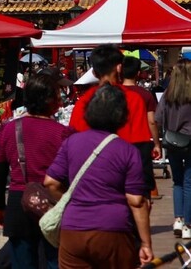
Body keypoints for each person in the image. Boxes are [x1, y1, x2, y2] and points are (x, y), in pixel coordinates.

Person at [44, 84, 153, 267]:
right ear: (122, 115)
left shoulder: (71, 143)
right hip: (113, 230)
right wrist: (145, 243)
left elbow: (50, 183)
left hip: (73, 230)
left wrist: (74, 201)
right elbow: (136, 201)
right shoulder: (128, 151)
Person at [0, 68, 71, 269]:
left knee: (22, 263)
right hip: (54, 204)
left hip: (19, 204)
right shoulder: (63, 134)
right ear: (49, 101)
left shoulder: (9, 129)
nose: (60, 101)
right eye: (57, 96)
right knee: (55, 261)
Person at [156, 58, 191, 239]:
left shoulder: (168, 95)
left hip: (173, 142)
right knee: (189, 183)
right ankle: (188, 225)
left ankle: (178, 218)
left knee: (177, 182)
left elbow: (158, 118)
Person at [121, 55, 161, 198]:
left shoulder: (114, 93)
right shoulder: (145, 95)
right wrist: (156, 144)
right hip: (141, 142)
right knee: (143, 185)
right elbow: (152, 121)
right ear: (138, 73)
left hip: (118, 141)